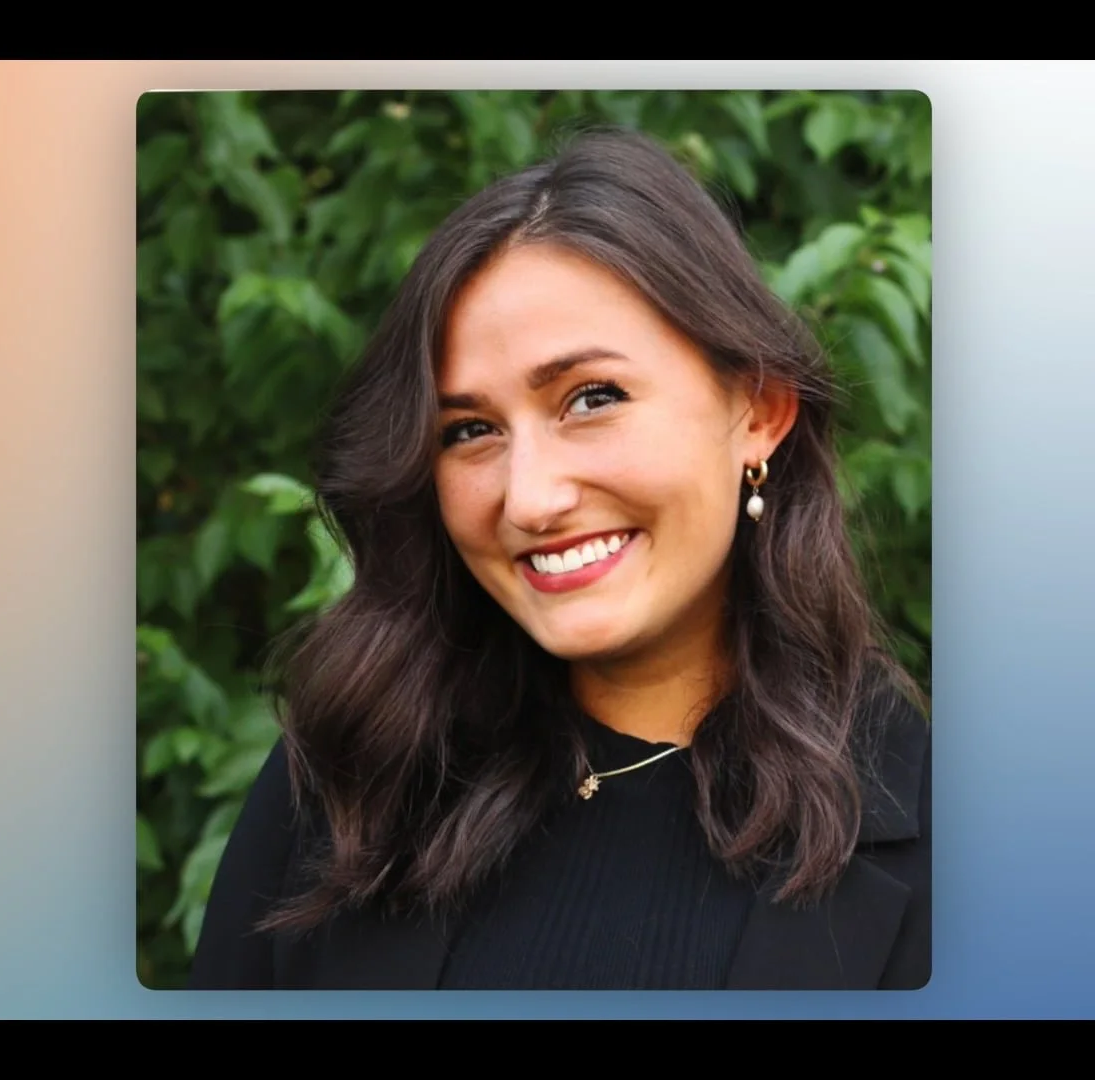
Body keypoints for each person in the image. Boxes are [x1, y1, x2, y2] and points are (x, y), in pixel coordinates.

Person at [188, 129, 930, 991]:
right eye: (469, 431)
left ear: (759, 410)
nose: (530, 498)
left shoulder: (966, 862)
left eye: (592, 398)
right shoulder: (349, 780)